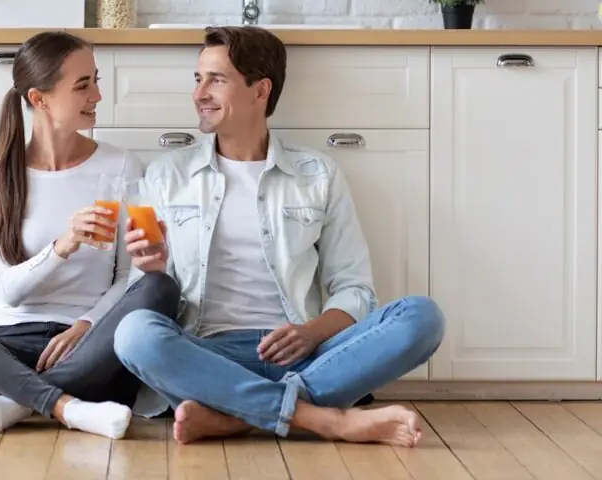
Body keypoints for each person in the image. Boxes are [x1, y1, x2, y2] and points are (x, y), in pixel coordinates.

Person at [112, 26, 446, 447]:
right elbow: (141, 294)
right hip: (208, 354)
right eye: (197, 79)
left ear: (260, 90)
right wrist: (154, 271)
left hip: (306, 354)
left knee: (422, 318)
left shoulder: (317, 175)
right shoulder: (166, 176)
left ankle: (237, 416)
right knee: (133, 333)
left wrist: (311, 332)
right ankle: (327, 421)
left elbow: (355, 288)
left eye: (216, 79)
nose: (200, 94)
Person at [0, 31, 181, 440]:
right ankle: (64, 405)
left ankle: (19, 403)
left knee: (160, 286)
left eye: (97, 81)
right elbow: (11, 291)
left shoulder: (121, 166)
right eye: (83, 85)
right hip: (4, 355)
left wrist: (88, 323)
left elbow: (128, 278)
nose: (97, 97)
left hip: (90, 349)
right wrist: (62, 246)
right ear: (40, 99)